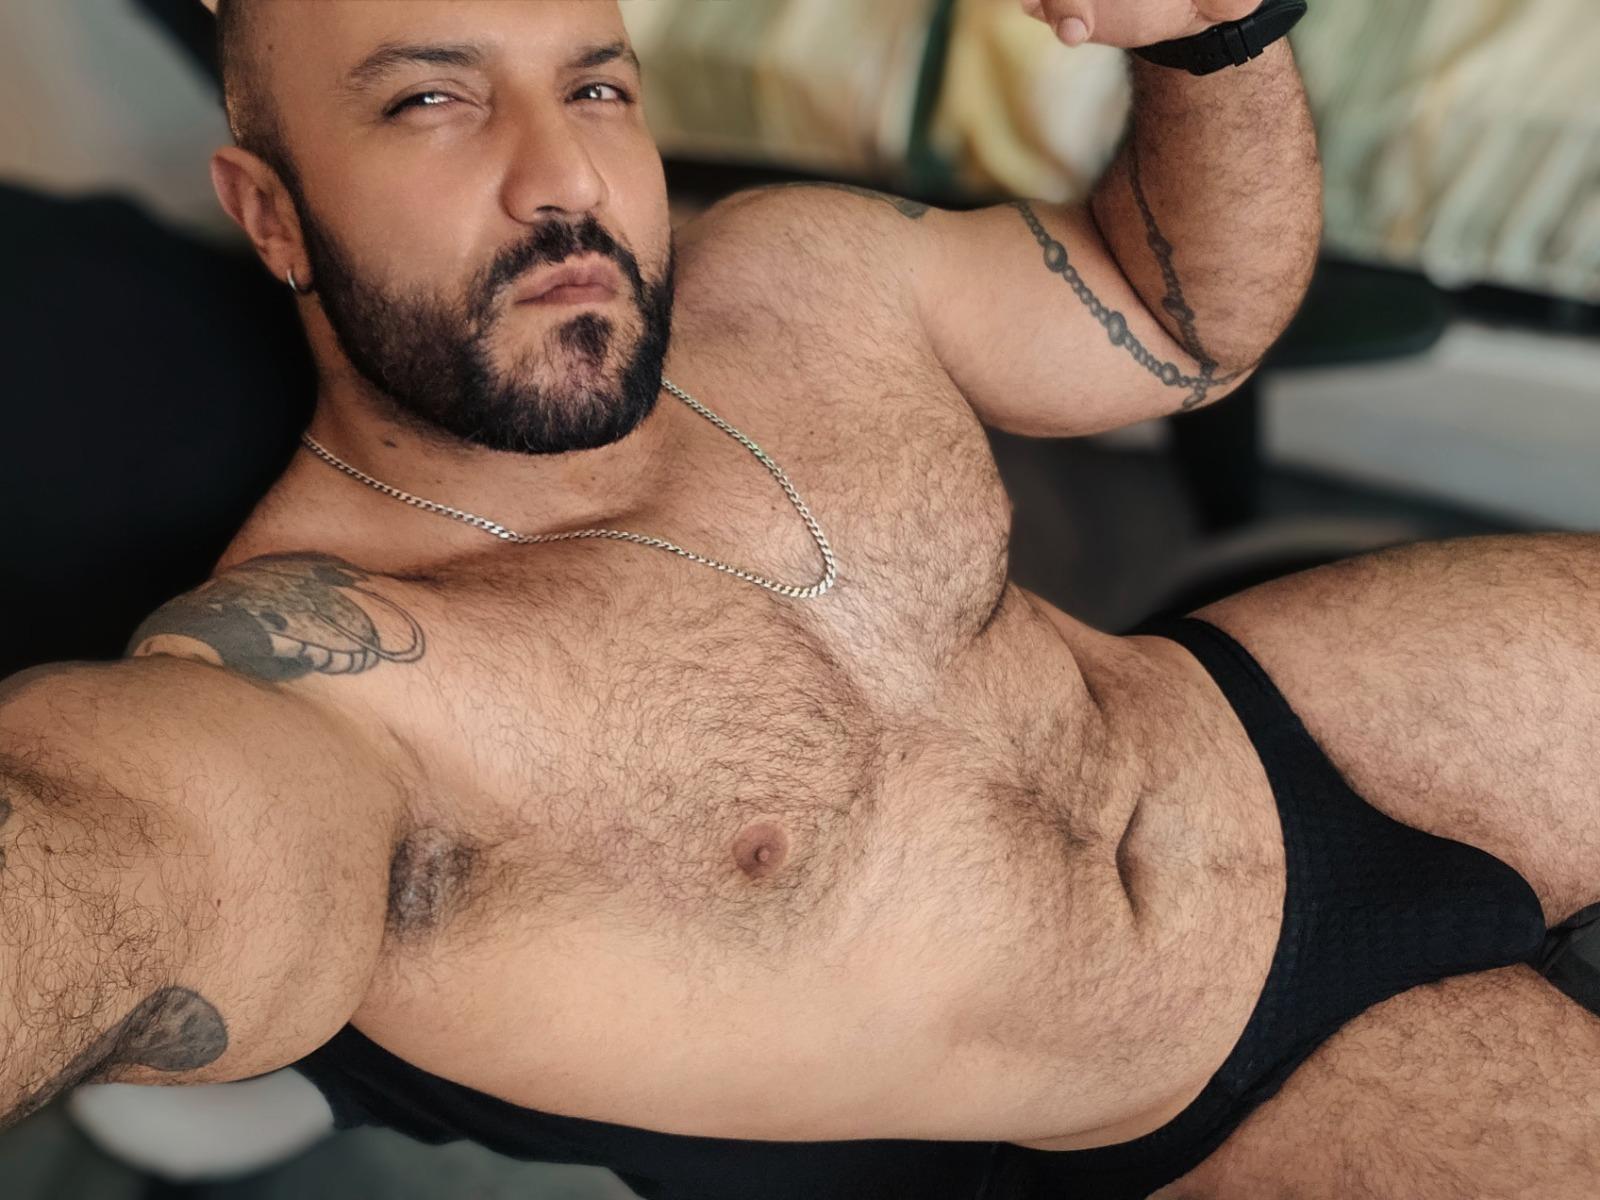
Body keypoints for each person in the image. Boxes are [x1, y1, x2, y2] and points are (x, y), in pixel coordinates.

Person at [2, 1, 1596, 1197]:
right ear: (271, 211)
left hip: (1289, 728)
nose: (564, 177)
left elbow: (1176, 319)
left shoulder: (795, 277)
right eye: (433, 100)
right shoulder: (317, 680)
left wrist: (1214, 38)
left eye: (597, 87)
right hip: (1185, 1094)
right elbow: (126, 854)